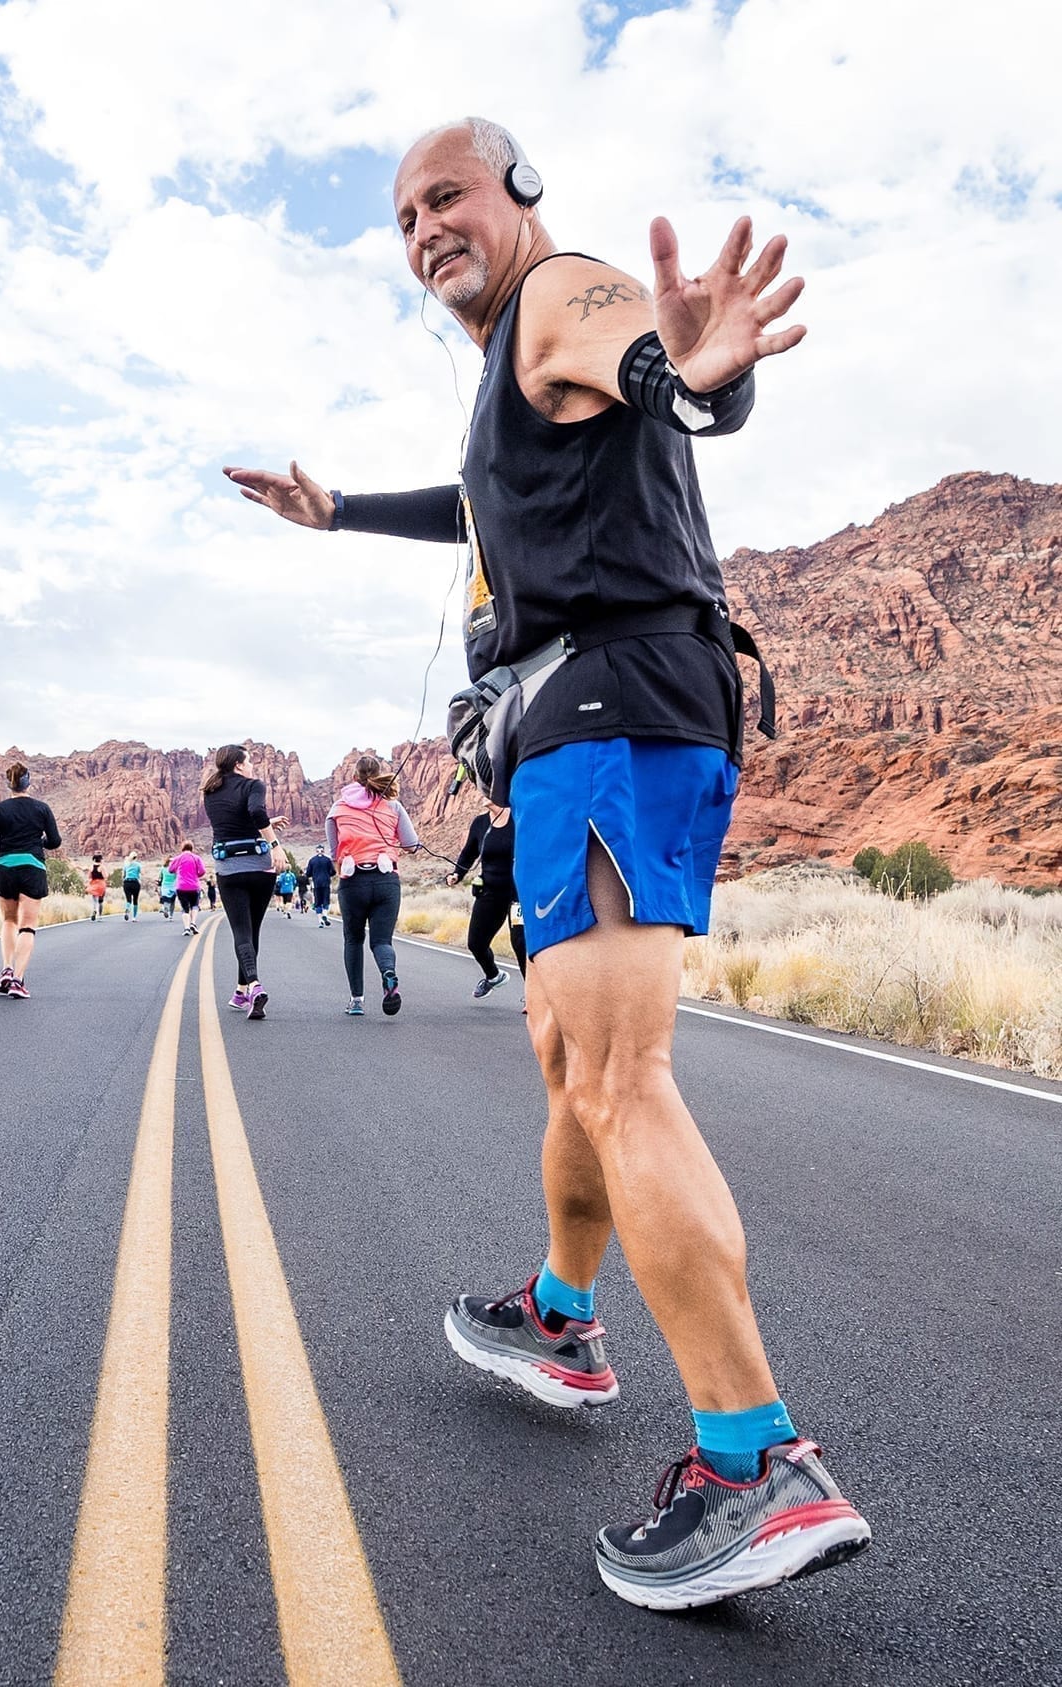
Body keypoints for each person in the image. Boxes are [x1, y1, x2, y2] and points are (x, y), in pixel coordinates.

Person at [222, 119, 869, 1608]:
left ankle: (753, 1457)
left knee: (621, 1075)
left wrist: (701, 370)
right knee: (562, 1042)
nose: (422, 228)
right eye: (400, 217)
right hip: (601, 721)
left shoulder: (558, 297)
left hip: (608, 714)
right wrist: (339, 515)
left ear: (516, 193)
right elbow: (482, 505)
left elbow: (648, 354)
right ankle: (566, 1310)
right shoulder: (517, 382)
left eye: (444, 195)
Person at [326, 755, 419, 1016]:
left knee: (353, 939)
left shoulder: (337, 809)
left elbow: (335, 852)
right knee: (381, 940)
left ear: (354, 777)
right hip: (386, 880)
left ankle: (356, 1000)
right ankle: (388, 973)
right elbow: (411, 845)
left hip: (353, 880)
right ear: (379, 775)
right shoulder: (394, 806)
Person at [201, 744, 288, 1020]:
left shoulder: (211, 791)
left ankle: (247, 987)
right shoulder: (254, 786)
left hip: (229, 870)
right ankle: (247, 989)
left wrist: (267, 821)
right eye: (249, 761)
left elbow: (236, 822)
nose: (252, 766)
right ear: (238, 764)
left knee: (241, 931)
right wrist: (275, 844)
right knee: (253, 931)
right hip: (261, 869)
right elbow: (256, 813)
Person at [0, 761, 61, 999]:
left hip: (4, 866)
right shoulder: (42, 808)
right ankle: (17, 980)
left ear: (10, 784)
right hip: (32, 867)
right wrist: (39, 843)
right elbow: (55, 841)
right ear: (29, 782)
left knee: (8, 920)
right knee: (27, 926)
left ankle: (6, 969)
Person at [450, 801, 527, 998]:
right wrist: (457, 874)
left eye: (490, 790)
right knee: (476, 943)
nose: (484, 795)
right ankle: (494, 976)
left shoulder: (519, 819)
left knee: (520, 943)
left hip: (517, 893)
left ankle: (532, 994)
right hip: (490, 892)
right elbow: (469, 852)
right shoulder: (480, 823)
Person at [168, 840, 207, 936]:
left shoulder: (179, 858)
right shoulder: (196, 858)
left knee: (185, 908)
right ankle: (193, 923)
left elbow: (170, 870)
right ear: (192, 848)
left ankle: (186, 928)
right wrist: (196, 875)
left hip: (181, 886)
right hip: (194, 886)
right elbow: (202, 871)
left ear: (182, 848)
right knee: (194, 905)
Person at [304, 845, 335, 927]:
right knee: (326, 900)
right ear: (323, 851)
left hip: (316, 883)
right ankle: (325, 914)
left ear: (316, 851)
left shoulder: (312, 860)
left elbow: (308, 873)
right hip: (326, 882)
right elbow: (333, 871)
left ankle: (320, 920)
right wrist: (328, 874)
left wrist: (313, 874)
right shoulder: (328, 860)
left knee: (318, 902)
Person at [121, 851, 142, 919]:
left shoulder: (126, 865)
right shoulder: (138, 865)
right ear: (136, 857)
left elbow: (123, 875)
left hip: (127, 883)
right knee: (135, 900)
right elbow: (141, 873)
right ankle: (134, 917)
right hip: (135, 883)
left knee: (128, 899)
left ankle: (127, 909)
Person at [88, 853, 107, 920]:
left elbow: (89, 876)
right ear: (100, 860)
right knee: (100, 901)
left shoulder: (91, 867)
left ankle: (94, 910)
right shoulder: (102, 867)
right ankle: (100, 915)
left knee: (94, 900)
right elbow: (105, 876)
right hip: (101, 884)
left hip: (93, 884)